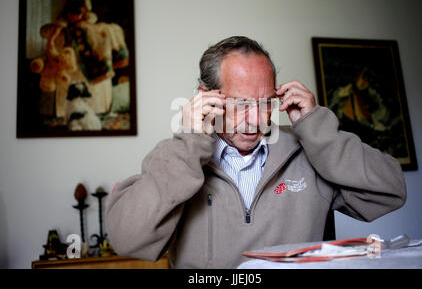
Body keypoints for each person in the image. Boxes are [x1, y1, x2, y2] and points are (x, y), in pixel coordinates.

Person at [106, 36, 406, 268]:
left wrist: (318, 131)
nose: (257, 120)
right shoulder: (180, 158)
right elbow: (127, 240)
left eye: (266, 103)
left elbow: (390, 191)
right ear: (204, 96)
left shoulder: (311, 150)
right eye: (241, 104)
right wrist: (189, 143)